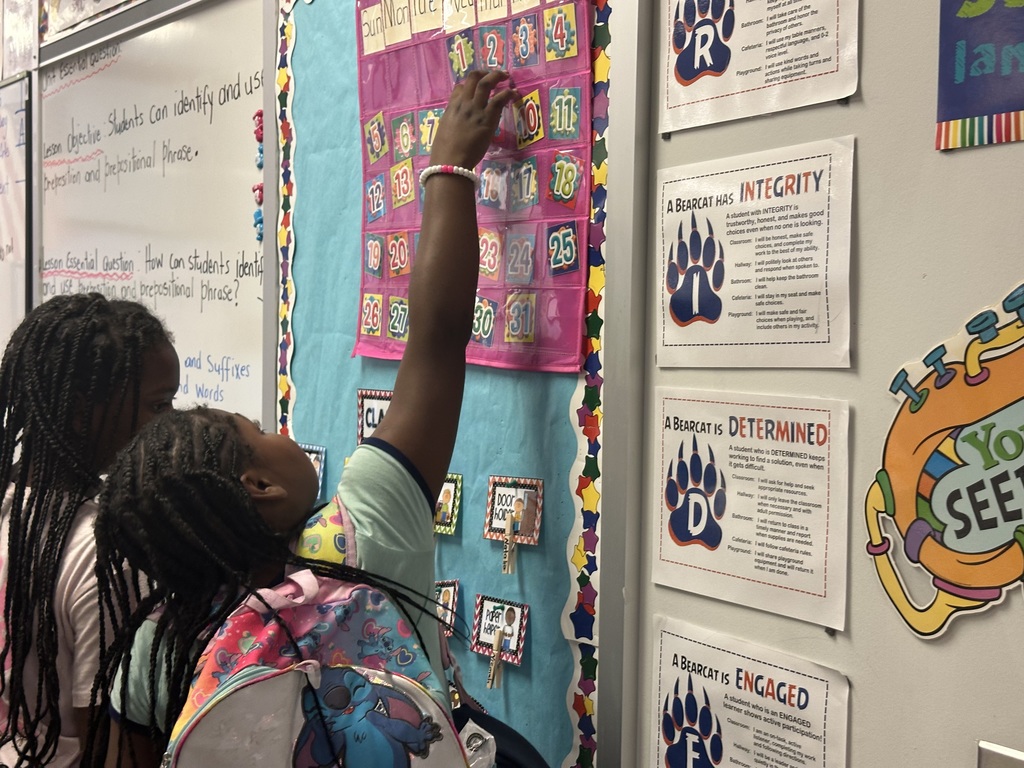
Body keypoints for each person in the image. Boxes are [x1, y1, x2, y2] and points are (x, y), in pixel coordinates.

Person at [88, 70, 518, 768]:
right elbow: (437, 341)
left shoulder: (156, 644)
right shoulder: (362, 534)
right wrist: (448, 168)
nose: (278, 431)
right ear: (260, 486)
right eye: (260, 433)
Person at [0, 294, 180, 768]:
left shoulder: (11, 505)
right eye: (159, 405)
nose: (172, 424)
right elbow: (110, 741)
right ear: (83, 414)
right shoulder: (109, 555)